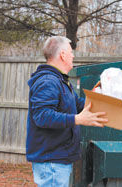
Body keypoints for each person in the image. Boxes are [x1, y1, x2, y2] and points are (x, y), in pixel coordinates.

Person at [26, 36, 108, 187]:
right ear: (62, 55)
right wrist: (77, 119)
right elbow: (42, 116)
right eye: (71, 52)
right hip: (51, 161)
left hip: (57, 159)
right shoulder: (48, 81)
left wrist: (99, 98)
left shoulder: (61, 81)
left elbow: (78, 104)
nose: (73, 55)